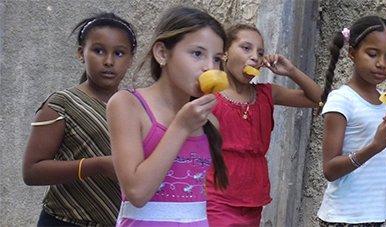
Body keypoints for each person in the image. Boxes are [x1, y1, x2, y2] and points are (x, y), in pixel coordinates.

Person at [106, 6, 229, 227]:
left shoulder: (209, 122)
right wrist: (181, 127)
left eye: (217, 59)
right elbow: (137, 192)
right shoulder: (128, 105)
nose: (209, 68)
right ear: (162, 53)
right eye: (197, 53)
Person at [23, 13, 136, 226]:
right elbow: (32, 171)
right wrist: (99, 165)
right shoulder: (62, 104)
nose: (109, 61)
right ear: (81, 53)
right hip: (65, 220)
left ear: (130, 59)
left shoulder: (135, 106)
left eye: (119, 53)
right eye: (99, 50)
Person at [205, 24, 322, 227]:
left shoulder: (267, 93)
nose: (255, 57)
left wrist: (291, 71)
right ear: (224, 53)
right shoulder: (208, 98)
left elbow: (318, 99)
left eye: (260, 52)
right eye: (246, 48)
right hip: (216, 200)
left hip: (253, 202)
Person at [317, 16, 386, 227]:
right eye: (372, 54)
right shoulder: (342, 100)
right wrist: (377, 145)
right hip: (346, 218)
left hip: (380, 215)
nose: (381, 64)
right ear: (352, 53)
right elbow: (330, 169)